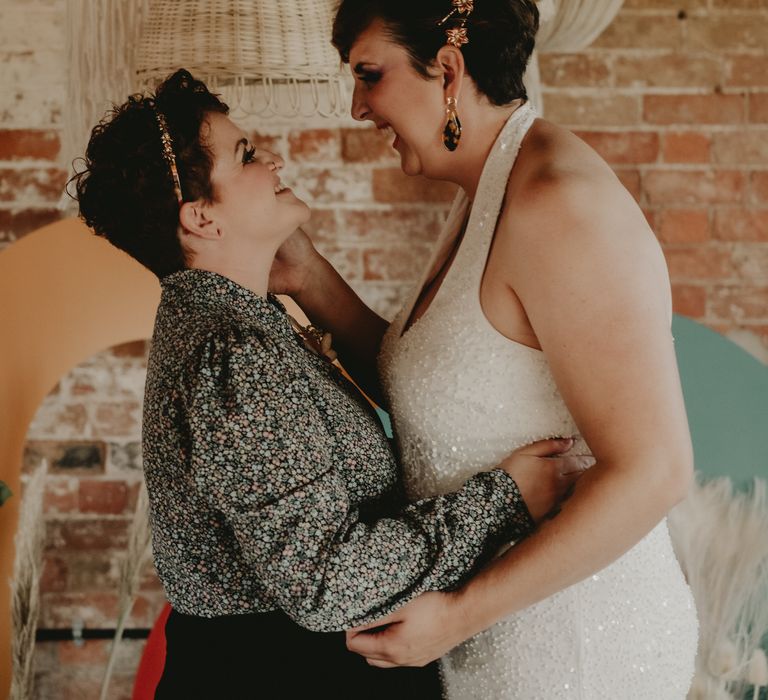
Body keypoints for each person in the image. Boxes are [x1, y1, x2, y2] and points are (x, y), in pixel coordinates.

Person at [71, 69, 587, 699]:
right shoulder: (231, 353)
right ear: (202, 217)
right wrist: (504, 498)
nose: (275, 159)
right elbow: (325, 582)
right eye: (248, 156)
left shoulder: (233, 320)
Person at [267, 0, 700, 697]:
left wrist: (459, 615)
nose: (357, 108)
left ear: (447, 70)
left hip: (578, 649)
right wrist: (309, 277)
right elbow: (445, 390)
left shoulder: (555, 202)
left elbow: (655, 472)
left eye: (369, 75)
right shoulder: (489, 188)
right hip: (497, 639)